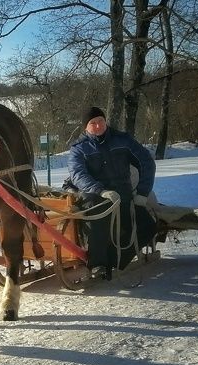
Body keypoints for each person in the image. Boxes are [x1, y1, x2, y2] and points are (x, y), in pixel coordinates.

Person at [66, 106, 156, 278]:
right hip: (96, 197)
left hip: (124, 197)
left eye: (101, 121)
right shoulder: (79, 148)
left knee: (147, 226)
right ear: (85, 127)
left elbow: (146, 162)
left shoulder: (123, 140)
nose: (98, 126)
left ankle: (115, 260)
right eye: (93, 123)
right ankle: (99, 263)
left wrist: (142, 194)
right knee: (96, 216)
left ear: (105, 121)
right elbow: (78, 174)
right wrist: (100, 191)